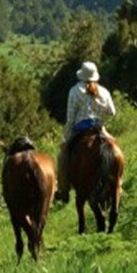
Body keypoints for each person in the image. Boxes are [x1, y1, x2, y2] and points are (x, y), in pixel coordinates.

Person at [55, 61, 116, 204]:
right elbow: (112, 112)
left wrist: (67, 136)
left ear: (81, 76)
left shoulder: (75, 91)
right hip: (100, 129)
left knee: (62, 156)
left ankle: (63, 190)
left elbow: (70, 119)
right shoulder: (104, 91)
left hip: (81, 131)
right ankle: (118, 181)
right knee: (115, 148)